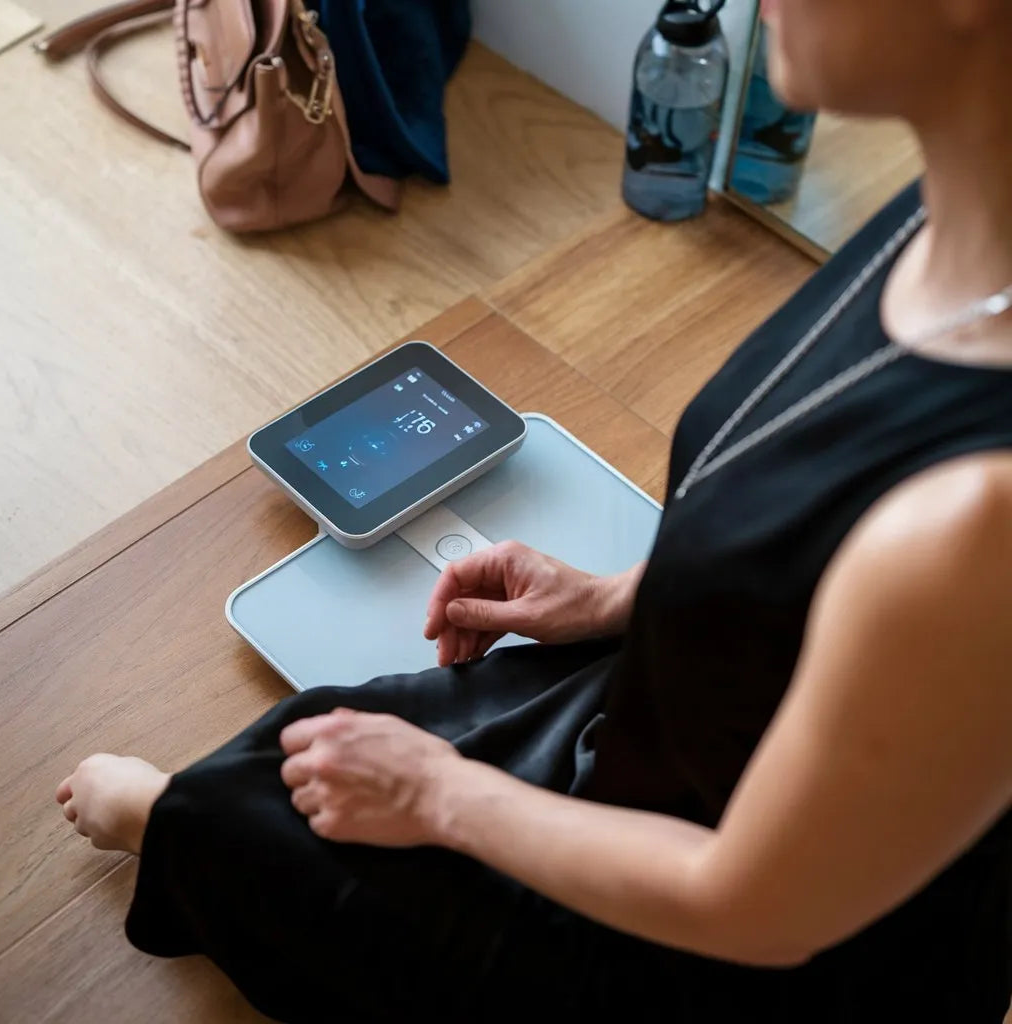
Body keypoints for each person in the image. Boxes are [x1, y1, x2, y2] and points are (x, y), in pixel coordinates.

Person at [56, 0, 1012, 1019]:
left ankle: (169, 824)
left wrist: (439, 794)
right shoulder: (956, 202)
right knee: (319, 740)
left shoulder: (977, 522)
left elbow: (756, 907)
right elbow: (821, 532)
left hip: (728, 946)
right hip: (727, 733)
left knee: (270, 829)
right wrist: (616, 597)